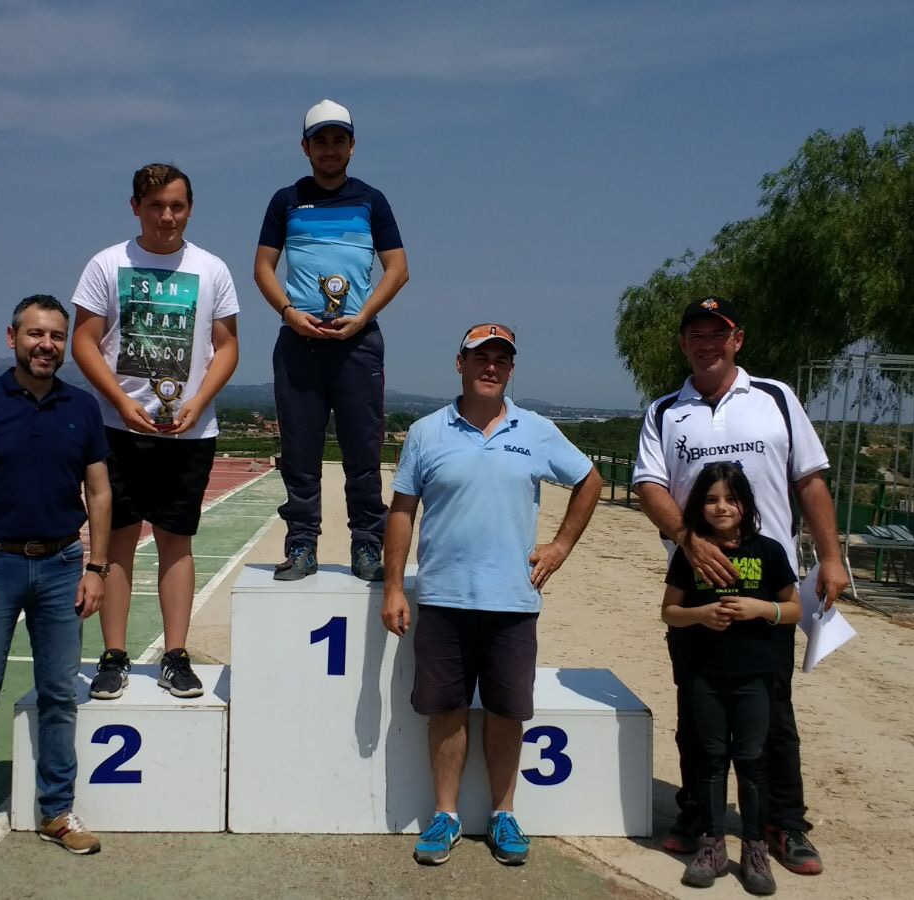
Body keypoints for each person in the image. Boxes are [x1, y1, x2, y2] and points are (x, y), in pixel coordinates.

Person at [632, 295, 848, 876]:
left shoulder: (775, 398)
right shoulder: (664, 411)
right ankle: (697, 816)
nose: (706, 344)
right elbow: (649, 485)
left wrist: (831, 557)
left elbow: (810, 480)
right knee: (696, 711)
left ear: (737, 340)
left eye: (717, 334)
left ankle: (784, 822)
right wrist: (689, 540)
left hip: (768, 584)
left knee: (773, 713)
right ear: (684, 344)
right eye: (696, 335)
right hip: (697, 587)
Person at [381, 324, 601, 867]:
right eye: (481, 357)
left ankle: (504, 814)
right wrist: (394, 586)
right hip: (443, 598)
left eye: (501, 359)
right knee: (446, 711)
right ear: (460, 363)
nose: (491, 367)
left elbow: (589, 480)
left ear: (511, 369)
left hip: (513, 602)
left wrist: (560, 546)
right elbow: (402, 511)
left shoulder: (538, 430)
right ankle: (446, 816)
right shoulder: (426, 432)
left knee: (506, 712)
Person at [0, 294, 113, 863]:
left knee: (60, 694)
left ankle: (57, 810)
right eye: (36, 334)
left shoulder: (82, 408)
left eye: (57, 336)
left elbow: (99, 492)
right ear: (12, 338)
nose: (46, 345)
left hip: (62, 566)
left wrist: (97, 567)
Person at [71, 162, 240, 702]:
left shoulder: (212, 268)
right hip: (115, 428)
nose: (167, 217)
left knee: (176, 541)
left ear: (190, 208)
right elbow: (84, 341)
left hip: (188, 432)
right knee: (116, 540)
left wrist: (199, 402)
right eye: (156, 206)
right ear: (135, 208)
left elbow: (227, 346)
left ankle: (175, 656)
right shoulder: (107, 263)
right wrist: (120, 402)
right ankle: (114, 656)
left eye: (177, 206)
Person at [255, 99, 409, 582]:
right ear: (305, 148)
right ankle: (302, 544)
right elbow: (262, 268)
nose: (329, 149)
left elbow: (398, 268)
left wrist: (363, 316)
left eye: (338, 140)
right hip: (298, 342)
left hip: (357, 342)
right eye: (319, 140)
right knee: (300, 453)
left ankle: (367, 546)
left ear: (352, 146)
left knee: (363, 453)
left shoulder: (372, 200)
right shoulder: (285, 200)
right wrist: (289, 313)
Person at [662, 463, 800, 895]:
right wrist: (701, 615)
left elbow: (794, 609)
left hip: (755, 677)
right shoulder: (691, 555)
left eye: (731, 499)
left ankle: (755, 849)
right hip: (705, 674)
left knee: (752, 760)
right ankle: (712, 844)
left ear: (746, 505)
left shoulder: (769, 551)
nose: (721, 507)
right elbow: (669, 612)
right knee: (710, 758)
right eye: (710, 499)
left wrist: (762, 609)